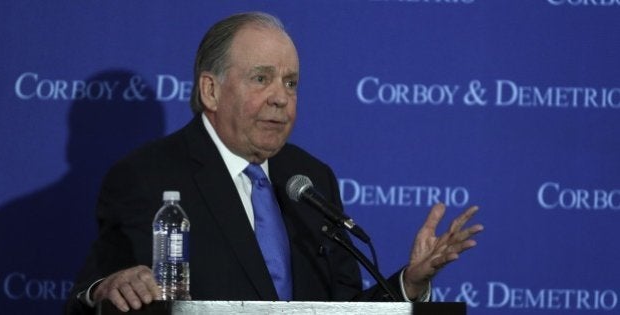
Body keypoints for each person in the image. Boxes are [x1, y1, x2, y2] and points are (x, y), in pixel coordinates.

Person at [66, 11, 483, 314]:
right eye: (261, 78)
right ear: (211, 90)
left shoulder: (310, 179)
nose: (281, 97)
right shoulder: (146, 176)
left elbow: (344, 310)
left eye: (291, 82)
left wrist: (409, 283)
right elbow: (89, 296)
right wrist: (106, 288)